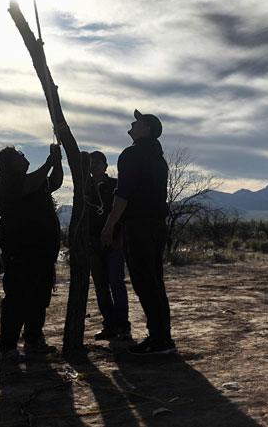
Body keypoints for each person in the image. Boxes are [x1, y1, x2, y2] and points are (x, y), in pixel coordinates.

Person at [101, 110, 174, 356]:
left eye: (138, 121)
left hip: (139, 226)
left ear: (147, 129)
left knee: (144, 282)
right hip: (157, 226)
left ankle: (159, 340)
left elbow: (123, 194)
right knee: (155, 281)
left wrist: (110, 225)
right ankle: (163, 337)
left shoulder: (131, 155)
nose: (132, 123)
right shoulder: (159, 159)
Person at [0, 143, 63, 363]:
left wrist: (57, 161)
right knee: (17, 300)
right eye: (19, 155)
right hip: (21, 253)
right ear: (9, 163)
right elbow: (31, 184)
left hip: (41, 253)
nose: (24, 157)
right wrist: (49, 163)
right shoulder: (8, 182)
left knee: (39, 299)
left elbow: (55, 182)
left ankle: (34, 340)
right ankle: (7, 346)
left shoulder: (35, 180)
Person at [85, 150, 132, 341]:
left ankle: (123, 326)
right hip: (93, 244)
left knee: (116, 283)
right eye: (90, 163)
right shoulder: (84, 189)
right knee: (101, 286)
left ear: (105, 165)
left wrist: (119, 236)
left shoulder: (114, 185)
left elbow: (124, 211)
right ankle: (109, 325)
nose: (93, 165)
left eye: (97, 162)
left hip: (114, 242)